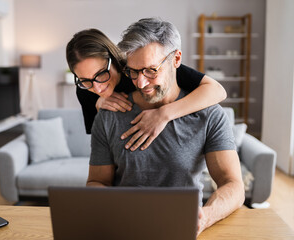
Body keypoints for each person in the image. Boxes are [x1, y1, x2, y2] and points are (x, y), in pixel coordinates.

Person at [86, 18, 245, 236]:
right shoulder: (109, 115)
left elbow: (233, 184)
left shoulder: (209, 115)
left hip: (184, 227)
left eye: (151, 70)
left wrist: (207, 216)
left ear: (176, 59)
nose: (141, 83)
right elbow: (96, 182)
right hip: (122, 227)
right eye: (133, 71)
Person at [66, 28, 227, 151]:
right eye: (85, 80)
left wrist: (163, 114)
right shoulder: (84, 90)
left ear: (113, 59)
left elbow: (217, 90)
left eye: (101, 74)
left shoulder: (141, 66)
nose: (97, 87)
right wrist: (98, 106)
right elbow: (103, 146)